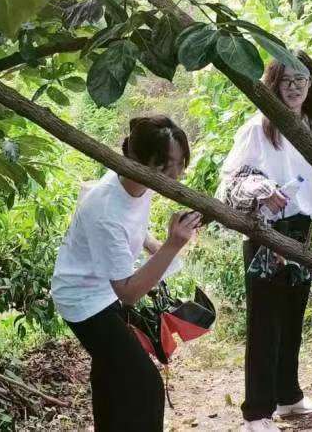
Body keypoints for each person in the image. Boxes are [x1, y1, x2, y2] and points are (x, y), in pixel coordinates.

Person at [51, 115, 201, 431]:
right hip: (84, 301)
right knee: (145, 387)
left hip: (103, 289)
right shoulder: (105, 209)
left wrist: (158, 246)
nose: (176, 175)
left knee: (111, 378)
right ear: (139, 160)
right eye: (166, 166)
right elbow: (129, 293)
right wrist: (172, 246)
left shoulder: (136, 182)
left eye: (180, 164)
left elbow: (133, 230)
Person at [219, 53, 312, 432]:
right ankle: (256, 414)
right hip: (267, 234)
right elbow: (230, 181)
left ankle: (288, 397)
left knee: (292, 318)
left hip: (302, 231)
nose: (295, 86)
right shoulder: (257, 128)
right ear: (273, 82)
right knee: (266, 323)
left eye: (302, 79)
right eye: (287, 79)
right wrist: (262, 191)